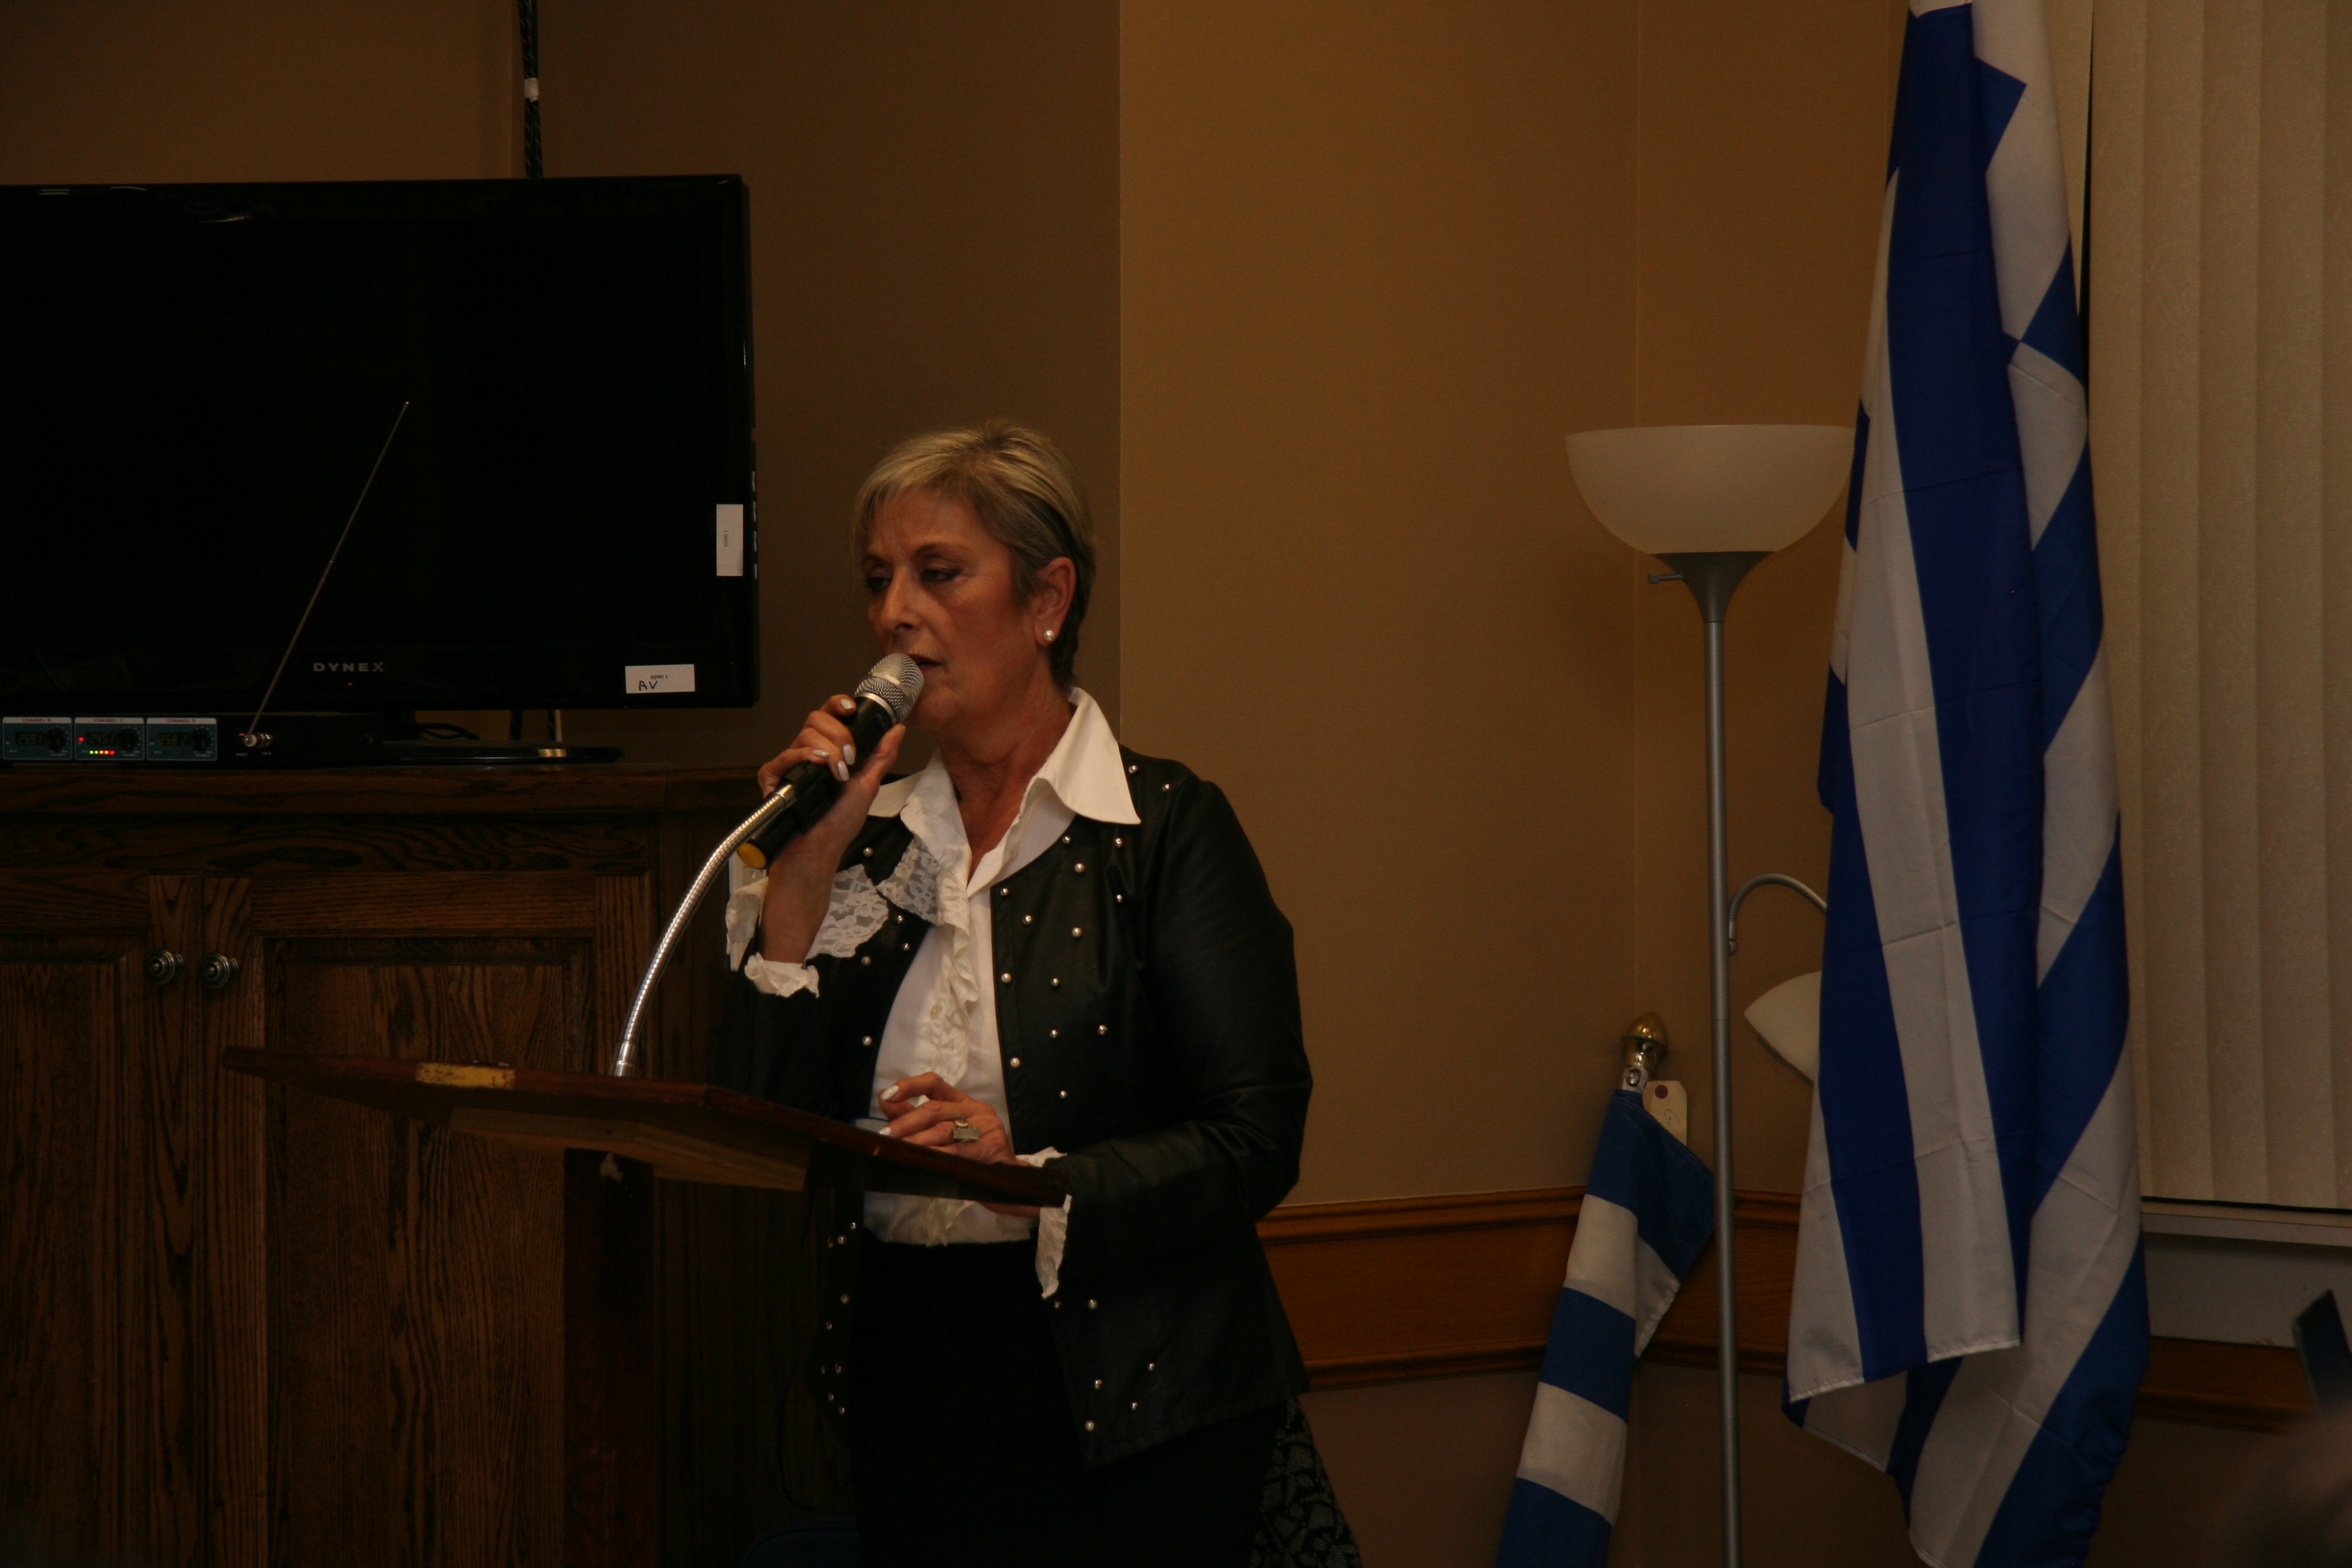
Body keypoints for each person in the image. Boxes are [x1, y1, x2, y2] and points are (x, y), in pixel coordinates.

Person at [714, 422, 1321, 1567]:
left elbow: (1255, 1139)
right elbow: (756, 1120)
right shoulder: (864, 847)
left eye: (939, 574)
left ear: (1048, 599)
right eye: (879, 580)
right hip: (910, 1375)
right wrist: (802, 865)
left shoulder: (1166, 830)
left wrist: (1029, 1180)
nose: (896, 614)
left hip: (1138, 1397)